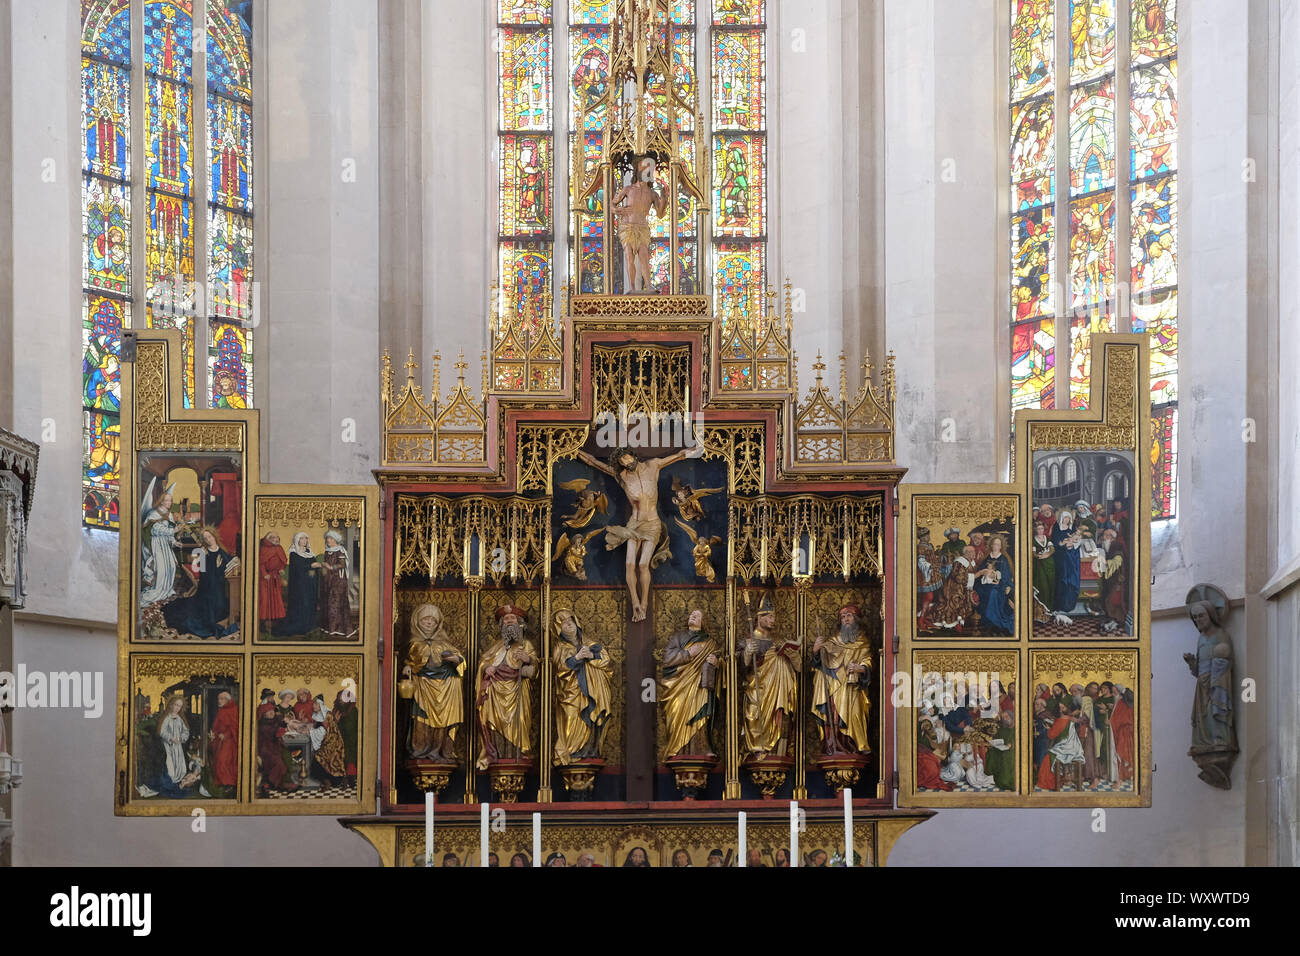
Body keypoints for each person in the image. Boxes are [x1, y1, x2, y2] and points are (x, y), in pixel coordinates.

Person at [576, 443, 703, 621]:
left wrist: (697, 449)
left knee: (643, 565)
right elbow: (595, 462)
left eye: (627, 458)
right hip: (634, 525)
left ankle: (644, 604)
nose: (627, 463)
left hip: (652, 524)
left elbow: (679, 455)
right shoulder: (621, 476)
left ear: (632, 455)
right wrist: (574, 450)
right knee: (629, 565)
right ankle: (635, 603)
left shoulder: (653, 465)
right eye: (622, 462)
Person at [475, 605, 538, 770]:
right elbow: (483, 661)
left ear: (520, 624)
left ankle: (517, 752)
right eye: (506, 620)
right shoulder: (497, 647)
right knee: (493, 721)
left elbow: (536, 668)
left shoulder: (526, 645)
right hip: (495, 693)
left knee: (519, 722)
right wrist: (486, 667)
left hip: (517, 691)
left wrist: (528, 659)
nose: (509, 622)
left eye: (513, 619)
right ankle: (498, 754)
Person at [740, 593, 799, 760]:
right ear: (760, 618)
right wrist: (746, 654)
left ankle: (777, 750)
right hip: (758, 691)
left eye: (774, 616)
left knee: (779, 715)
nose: (773, 620)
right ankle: (758, 748)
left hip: (778, 693)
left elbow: (798, 668)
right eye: (770, 616)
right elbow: (738, 669)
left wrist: (793, 656)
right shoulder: (748, 641)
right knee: (754, 715)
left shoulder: (778, 643)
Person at [402, 603, 464, 761]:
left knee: (444, 722)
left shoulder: (444, 644)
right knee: (422, 720)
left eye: (433, 621)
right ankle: (422, 750)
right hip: (423, 688)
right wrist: (408, 667)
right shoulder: (415, 644)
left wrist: (456, 659)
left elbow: (461, 660)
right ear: (417, 622)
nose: (429, 623)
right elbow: (412, 661)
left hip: (447, 688)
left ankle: (441, 750)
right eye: (425, 620)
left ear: (438, 624)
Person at [552, 608, 613, 765]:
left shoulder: (590, 643)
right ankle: (572, 752)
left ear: (576, 623)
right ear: (560, 630)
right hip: (571, 693)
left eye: (570, 622)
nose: (568, 625)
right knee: (573, 719)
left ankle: (590, 750)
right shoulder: (560, 648)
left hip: (593, 691)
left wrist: (591, 656)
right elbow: (560, 668)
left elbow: (606, 661)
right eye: (564, 624)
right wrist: (577, 657)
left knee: (593, 717)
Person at [810, 605, 873, 756]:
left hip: (852, 688)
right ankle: (833, 746)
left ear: (856, 619)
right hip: (833, 686)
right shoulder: (833, 640)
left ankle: (853, 746)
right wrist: (817, 650)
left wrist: (861, 668)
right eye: (843, 617)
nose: (846, 620)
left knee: (855, 715)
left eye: (849, 616)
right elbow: (820, 663)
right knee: (833, 716)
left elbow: (868, 660)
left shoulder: (863, 641)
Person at [659, 608, 720, 759]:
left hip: (700, 686)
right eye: (692, 614)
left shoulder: (710, 643)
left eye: (697, 615)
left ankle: (702, 747)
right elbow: (667, 659)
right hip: (679, 685)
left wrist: (717, 662)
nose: (692, 616)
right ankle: (677, 749)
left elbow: (724, 664)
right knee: (677, 710)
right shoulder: (678, 637)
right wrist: (688, 653)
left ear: (703, 622)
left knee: (700, 713)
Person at [162, 527, 239, 638]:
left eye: (210, 536)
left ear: (214, 536)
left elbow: (228, 568)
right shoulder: (203, 553)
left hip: (219, 587)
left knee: (221, 606)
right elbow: (204, 575)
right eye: (205, 538)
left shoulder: (222, 552)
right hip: (207, 588)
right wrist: (213, 566)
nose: (208, 539)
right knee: (203, 614)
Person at [611, 154, 668, 292]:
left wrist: (665, 199)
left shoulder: (652, 193)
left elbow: (660, 214)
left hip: (642, 228)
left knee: (643, 256)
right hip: (628, 227)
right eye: (643, 169)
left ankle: (648, 285)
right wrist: (618, 211)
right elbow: (612, 205)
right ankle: (631, 287)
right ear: (638, 171)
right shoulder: (629, 189)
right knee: (629, 256)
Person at [273, 532, 321, 636]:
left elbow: (312, 568)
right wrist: (311, 566)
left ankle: (309, 625)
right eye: (302, 539)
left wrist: (313, 569)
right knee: (302, 604)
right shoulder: (294, 554)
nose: (304, 541)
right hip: (299, 586)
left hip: (310, 584)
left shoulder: (309, 552)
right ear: (297, 540)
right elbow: (298, 569)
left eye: (306, 539)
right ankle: (300, 626)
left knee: (310, 604)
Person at [971, 534, 1015, 635]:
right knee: (981, 591)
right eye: (994, 544)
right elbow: (980, 571)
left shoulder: (1003, 559)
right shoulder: (987, 558)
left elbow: (1006, 576)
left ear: (1001, 546)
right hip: (985, 584)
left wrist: (999, 580)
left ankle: (994, 621)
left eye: (998, 545)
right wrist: (984, 574)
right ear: (991, 545)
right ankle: (987, 621)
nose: (996, 546)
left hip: (999, 585)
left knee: (993, 593)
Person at [317, 529, 355, 637]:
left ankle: (338, 628)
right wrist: (324, 566)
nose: (328, 540)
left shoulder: (340, 551)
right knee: (328, 602)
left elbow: (342, 565)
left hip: (338, 580)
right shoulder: (327, 551)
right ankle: (329, 627)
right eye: (327, 538)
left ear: (335, 540)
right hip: (328, 579)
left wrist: (331, 567)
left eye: (330, 538)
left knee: (336, 603)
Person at [156, 695, 191, 795]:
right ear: (171, 705)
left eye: (179, 706)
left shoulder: (180, 719)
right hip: (168, 746)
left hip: (178, 746)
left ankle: (178, 784)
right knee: (170, 765)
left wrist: (181, 738)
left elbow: (186, 731)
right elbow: (162, 732)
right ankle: (170, 785)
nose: (177, 708)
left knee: (180, 766)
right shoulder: (167, 718)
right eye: (175, 705)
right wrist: (171, 738)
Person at [207, 689, 239, 793]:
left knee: (223, 761)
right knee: (218, 761)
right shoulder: (222, 710)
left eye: (221, 699)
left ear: (227, 700)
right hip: (220, 741)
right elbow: (217, 726)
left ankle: (229, 783)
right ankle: (223, 783)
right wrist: (213, 734)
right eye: (218, 699)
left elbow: (235, 727)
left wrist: (225, 735)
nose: (219, 701)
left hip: (230, 741)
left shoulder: (234, 710)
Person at [258, 532, 288, 633]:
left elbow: (283, 562)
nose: (276, 539)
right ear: (269, 539)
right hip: (265, 579)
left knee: (277, 600)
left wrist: (281, 569)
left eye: (277, 537)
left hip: (276, 577)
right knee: (265, 600)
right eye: (273, 537)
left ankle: (277, 625)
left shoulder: (279, 548)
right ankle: (262, 625)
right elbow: (260, 563)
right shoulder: (263, 549)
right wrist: (264, 573)